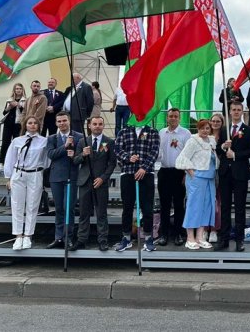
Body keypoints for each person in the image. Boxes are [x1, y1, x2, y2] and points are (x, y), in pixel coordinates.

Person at [214, 102, 250, 252]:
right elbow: (219, 150)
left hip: (240, 173)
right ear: (230, 112)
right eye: (234, 110)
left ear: (242, 112)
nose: (236, 112)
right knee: (225, 207)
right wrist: (223, 147)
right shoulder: (225, 129)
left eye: (239, 110)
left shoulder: (249, 130)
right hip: (225, 173)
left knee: (240, 208)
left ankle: (240, 240)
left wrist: (236, 155)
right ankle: (224, 239)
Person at [70, 116, 117, 251]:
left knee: (101, 213)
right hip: (85, 182)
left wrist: (103, 178)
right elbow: (75, 161)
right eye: (94, 124)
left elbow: (112, 163)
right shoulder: (82, 141)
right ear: (89, 126)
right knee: (84, 213)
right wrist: (83, 155)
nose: (97, 126)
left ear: (103, 126)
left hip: (100, 182)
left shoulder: (109, 142)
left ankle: (102, 240)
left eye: (100, 124)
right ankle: (81, 239)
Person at [114, 122, 160, 252]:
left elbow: (154, 151)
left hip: (146, 174)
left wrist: (144, 168)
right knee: (127, 207)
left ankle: (148, 238)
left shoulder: (152, 132)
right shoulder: (123, 131)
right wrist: (128, 157)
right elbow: (117, 149)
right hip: (128, 172)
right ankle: (126, 238)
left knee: (147, 208)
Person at [4, 116, 48, 250]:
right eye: (30, 123)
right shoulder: (18, 141)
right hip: (19, 173)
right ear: (26, 125)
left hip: (35, 173)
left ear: (39, 126)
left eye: (35, 123)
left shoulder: (44, 141)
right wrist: (8, 177)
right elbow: (10, 158)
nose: (33, 125)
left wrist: (40, 169)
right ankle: (18, 236)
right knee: (17, 205)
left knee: (32, 205)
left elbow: (47, 160)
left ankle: (28, 235)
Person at [176, 119, 218, 250]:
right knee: (194, 207)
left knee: (206, 208)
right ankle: (190, 238)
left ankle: (200, 237)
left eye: (207, 128)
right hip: (197, 178)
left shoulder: (211, 141)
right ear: (198, 129)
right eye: (202, 128)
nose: (205, 130)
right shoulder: (192, 141)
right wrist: (191, 171)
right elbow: (182, 158)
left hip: (209, 178)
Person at [46, 111, 83, 249]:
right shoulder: (52, 138)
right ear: (56, 123)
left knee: (69, 208)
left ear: (69, 121)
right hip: (56, 177)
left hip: (71, 176)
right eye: (59, 121)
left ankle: (68, 237)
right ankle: (58, 237)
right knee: (59, 208)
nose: (62, 123)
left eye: (64, 121)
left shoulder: (78, 137)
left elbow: (80, 156)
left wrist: (74, 154)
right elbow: (51, 154)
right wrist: (65, 146)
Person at [155, 108, 192, 247]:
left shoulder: (185, 133)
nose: (173, 118)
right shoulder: (161, 132)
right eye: (170, 116)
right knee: (164, 205)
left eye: (176, 116)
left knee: (178, 205)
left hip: (179, 173)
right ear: (167, 118)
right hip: (164, 171)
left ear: (179, 118)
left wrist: (186, 173)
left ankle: (178, 234)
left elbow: (189, 154)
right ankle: (164, 234)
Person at [0, 83, 26, 174]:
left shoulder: (25, 100)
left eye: (20, 88)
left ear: (22, 90)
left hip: (18, 124)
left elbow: (26, 113)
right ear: (14, 90)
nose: (18, 90)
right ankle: (1, 164)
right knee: (5, 143)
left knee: (17, 144)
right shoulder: (9, 100)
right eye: (16, 89)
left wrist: (19, 106)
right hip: (8, 124)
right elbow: (4, 112)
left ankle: (15, 165)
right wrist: (9, 107)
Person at [206, 113, 226, 243]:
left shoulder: (226, 136)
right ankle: (204, 229)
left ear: (222, 122)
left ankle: (214, 229)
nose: (215, 123)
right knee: (206, 201)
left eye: (218, 121)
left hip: (221, 171)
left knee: (217, 202)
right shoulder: (205, 136)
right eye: (213, 121)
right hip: (206, 172)